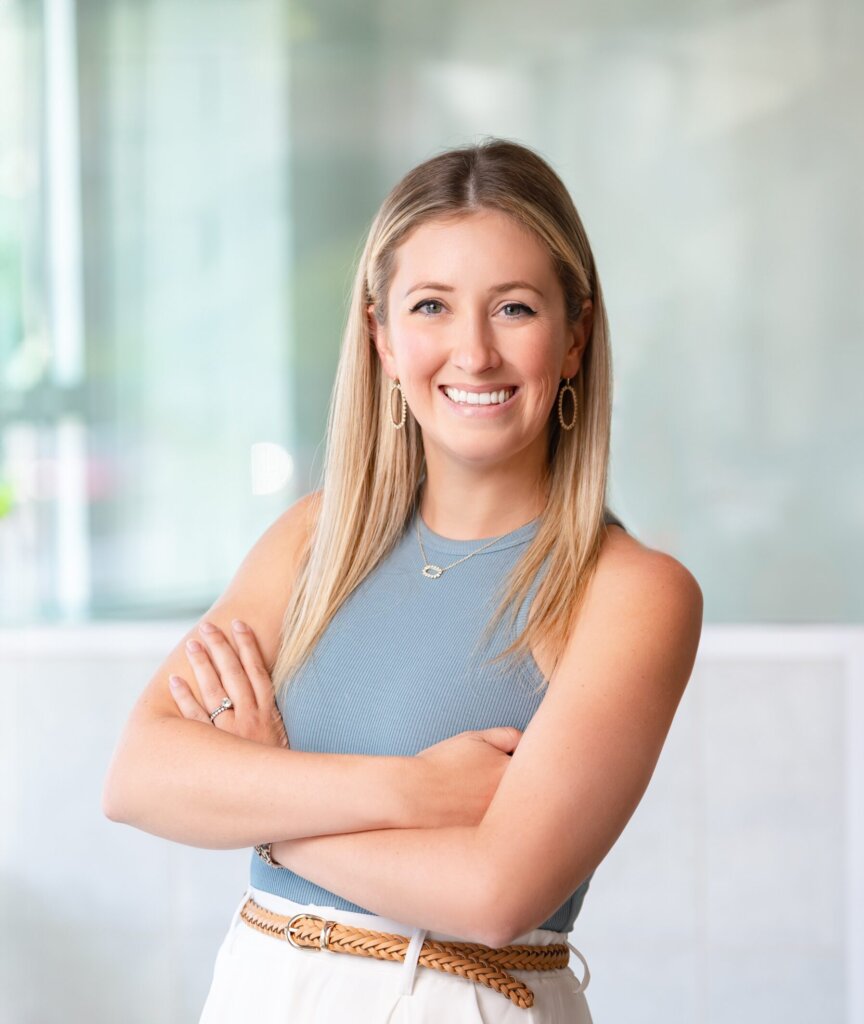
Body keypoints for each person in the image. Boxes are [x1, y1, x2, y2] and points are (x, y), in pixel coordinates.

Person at [102, 137, 703, 1022]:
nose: (473, 352)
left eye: (514, 309)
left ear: (574, 337)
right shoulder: (313, 540)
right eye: (431, 306)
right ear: (381, 336)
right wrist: (407, 792)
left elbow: (495, 893)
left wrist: (262, 801)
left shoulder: (630, 591)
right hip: (262, 992)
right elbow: (141, 778)